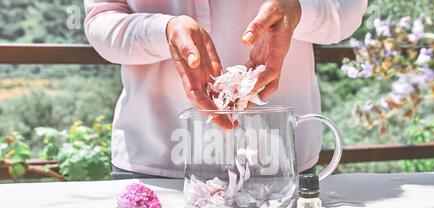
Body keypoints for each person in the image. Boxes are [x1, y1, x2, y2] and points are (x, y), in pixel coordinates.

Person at [84, 0, 367, 179]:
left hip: (277, 162)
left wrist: (299, 10)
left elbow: (347, 9)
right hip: (155, 161)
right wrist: (164, 31)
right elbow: (101, 20)